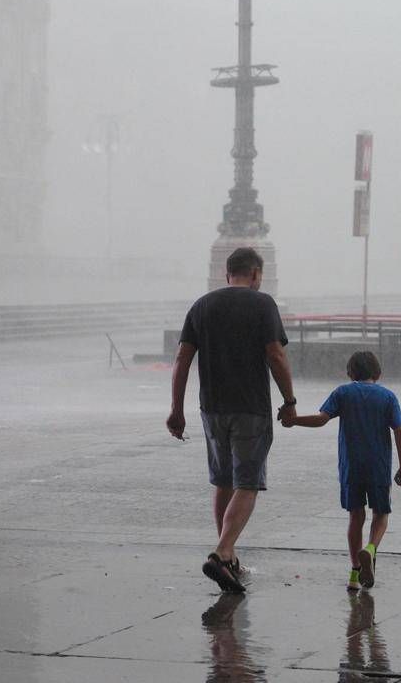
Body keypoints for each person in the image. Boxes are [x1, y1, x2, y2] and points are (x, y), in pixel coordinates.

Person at [168, 247, 297, 594]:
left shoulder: (202, 306)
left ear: (227, 274)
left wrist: (176, 409)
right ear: (256, 274)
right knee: (248, 482)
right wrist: (289, 401)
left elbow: (181, 360)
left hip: (212, 408)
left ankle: (229, 558)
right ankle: (223, 551)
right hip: (250, 407)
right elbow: (275, 355)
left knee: (224, 481)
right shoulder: (263, 304)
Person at [281, 351, 401, 590]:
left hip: (351, 466)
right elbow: (399, 431)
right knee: (381, 514)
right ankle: (370, 548)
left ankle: (354, 574)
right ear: (378, 373)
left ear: (350, 373)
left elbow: (321, 419)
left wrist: (294, 420)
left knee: (355, 517)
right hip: (379, 466)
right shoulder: (388, 397)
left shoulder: (342, 393)